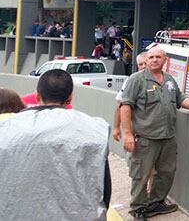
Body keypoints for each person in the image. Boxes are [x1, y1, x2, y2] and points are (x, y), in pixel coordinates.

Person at [0, 69, 111, 220]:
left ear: (37, 96)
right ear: (70, 97)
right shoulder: (93, 129)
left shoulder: (6, 128)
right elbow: (104, 189)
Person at [120, 46, 189, 219]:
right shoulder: (136, 79)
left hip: (167, 137)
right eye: (151, 57)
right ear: (146, 60)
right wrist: (127, 134)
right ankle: (138, 208)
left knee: (166, 172)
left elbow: (180, 98)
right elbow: (125, 106)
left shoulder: (169, 80)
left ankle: (156, 203)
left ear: (164, 60)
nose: (154, 60)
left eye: (158, 57)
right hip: (146, 138)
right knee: (141, 175)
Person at [112, 52, 148, 142]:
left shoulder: (162, 79)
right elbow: (120, 104)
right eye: (140, 64)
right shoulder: (131, 81)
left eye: (145, 63)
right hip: (137, 131)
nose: (143, 66)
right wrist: (116, 127)